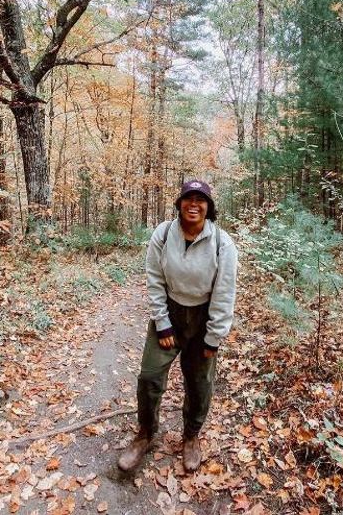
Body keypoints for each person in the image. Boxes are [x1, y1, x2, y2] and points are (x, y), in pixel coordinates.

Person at [118, 180, 239, 474]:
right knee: (149, 376)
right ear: (179, 203)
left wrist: (213, 338)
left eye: (201, 199)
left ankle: (191, 437)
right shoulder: (163, 234)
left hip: (203, 317)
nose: (193, 204)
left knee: (200, 383)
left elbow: (225, 293)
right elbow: (154, 278)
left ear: (209, 207)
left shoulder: (223, 243)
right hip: (170, 312)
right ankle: (145, 433)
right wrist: (162, 323)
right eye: (188, 198)